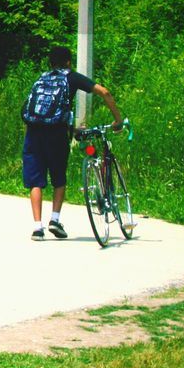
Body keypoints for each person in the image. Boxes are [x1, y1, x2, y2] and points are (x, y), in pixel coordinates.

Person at [21, 44, 122, 241]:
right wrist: (117, 120)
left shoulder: (42, 78)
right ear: (68, 61)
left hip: (33, 133)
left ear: (50, 62)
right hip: (57, 135)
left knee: (35, 181)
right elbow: (104, 92)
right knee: (59, 177)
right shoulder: (71, 77)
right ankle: (55, 220)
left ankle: (37, 227)